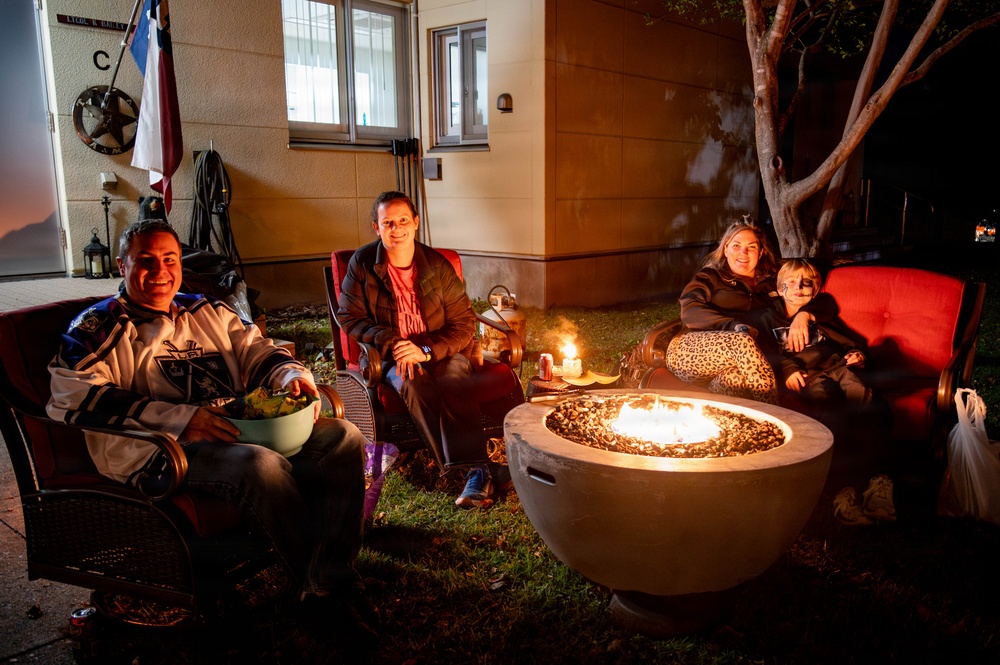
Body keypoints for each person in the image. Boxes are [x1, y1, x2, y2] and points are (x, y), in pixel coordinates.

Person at [46, 205, 377, 642]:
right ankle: (325, 593)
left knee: (344, 438)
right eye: (145, 260)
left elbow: (255, 349)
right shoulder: (96, 327)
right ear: (122, 264)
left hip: (237, 430)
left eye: (169, 259)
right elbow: (74, 394)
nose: (160, 271)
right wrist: (183, 419)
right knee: (260, 465)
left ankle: (329, 577)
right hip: (161, 452)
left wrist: (291, 374)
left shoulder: (204, 308)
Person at [336, 190, 502, 509]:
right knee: (414, 383)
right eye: (387, 223)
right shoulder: (362, 263)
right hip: (391, 354)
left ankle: (468, 472)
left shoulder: (436, 264)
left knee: (454, 374)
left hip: (438, 348)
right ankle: (478, 472)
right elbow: (349, 316)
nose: (396, 229)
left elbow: (464, 323)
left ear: (415, 223)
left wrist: (425, 351)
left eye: (402, 221)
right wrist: (395, 342)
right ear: (376, 227)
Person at [758, 258, 896, 526]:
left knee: (864, 395)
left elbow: (848, 341)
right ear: (780, 285)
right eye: (792, 282)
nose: (799, 287)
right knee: (829, 408)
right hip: (810, 377)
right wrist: (787, 370)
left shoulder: (821, 313)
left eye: (806, 283)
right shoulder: (768, 316)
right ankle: (841, 489)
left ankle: (876, 481)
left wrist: (856, 354)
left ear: (816, 288)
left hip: (839, 367)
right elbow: (767, 350)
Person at [666, 218, 822, 404]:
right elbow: (690, 310)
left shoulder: (773, 282)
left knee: (734, 381)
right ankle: (773, 416)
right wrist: (733, 326)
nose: (743, 253)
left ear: (761, 252)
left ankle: (728, 425)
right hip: (689, 351)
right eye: (736, 245)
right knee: (743, 340)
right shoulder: (709, 277)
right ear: (725, 249)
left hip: (741, 359)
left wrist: (805, 315)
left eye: (751, 247)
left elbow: (814, 290)